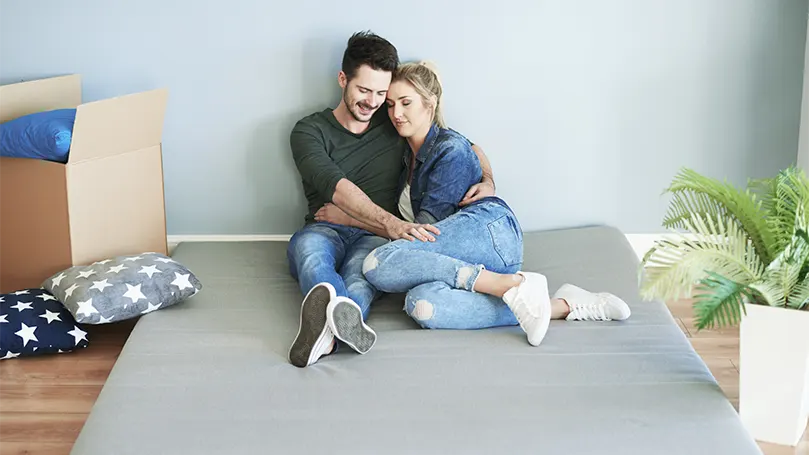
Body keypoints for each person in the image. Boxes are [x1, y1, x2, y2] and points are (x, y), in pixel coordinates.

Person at [317, 61, 632, 347]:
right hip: (462, 256)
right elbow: (476, 148)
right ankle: (561, 305)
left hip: (490, 233)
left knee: (377, 265)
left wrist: (351, 219)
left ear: (430, 103)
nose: (396, 112)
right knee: (423, 306)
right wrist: (488, 176)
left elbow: (421, 232)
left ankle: (513, 282)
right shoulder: (406, 153)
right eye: (391, 104)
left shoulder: (448, 149)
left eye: (406, 103)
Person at [286, 32, 497, 368]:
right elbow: (338, 188)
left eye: (381, 93)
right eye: (364, 90)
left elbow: (465, 145)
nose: (373, 102)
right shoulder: (309, 131)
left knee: (361, 277)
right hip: (327, 225)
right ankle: (333, 323)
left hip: (375, 236)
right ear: (343, 79)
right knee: (311, 257)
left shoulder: (393, 118)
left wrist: (488, 179)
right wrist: (396, 226)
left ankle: (327, 331)